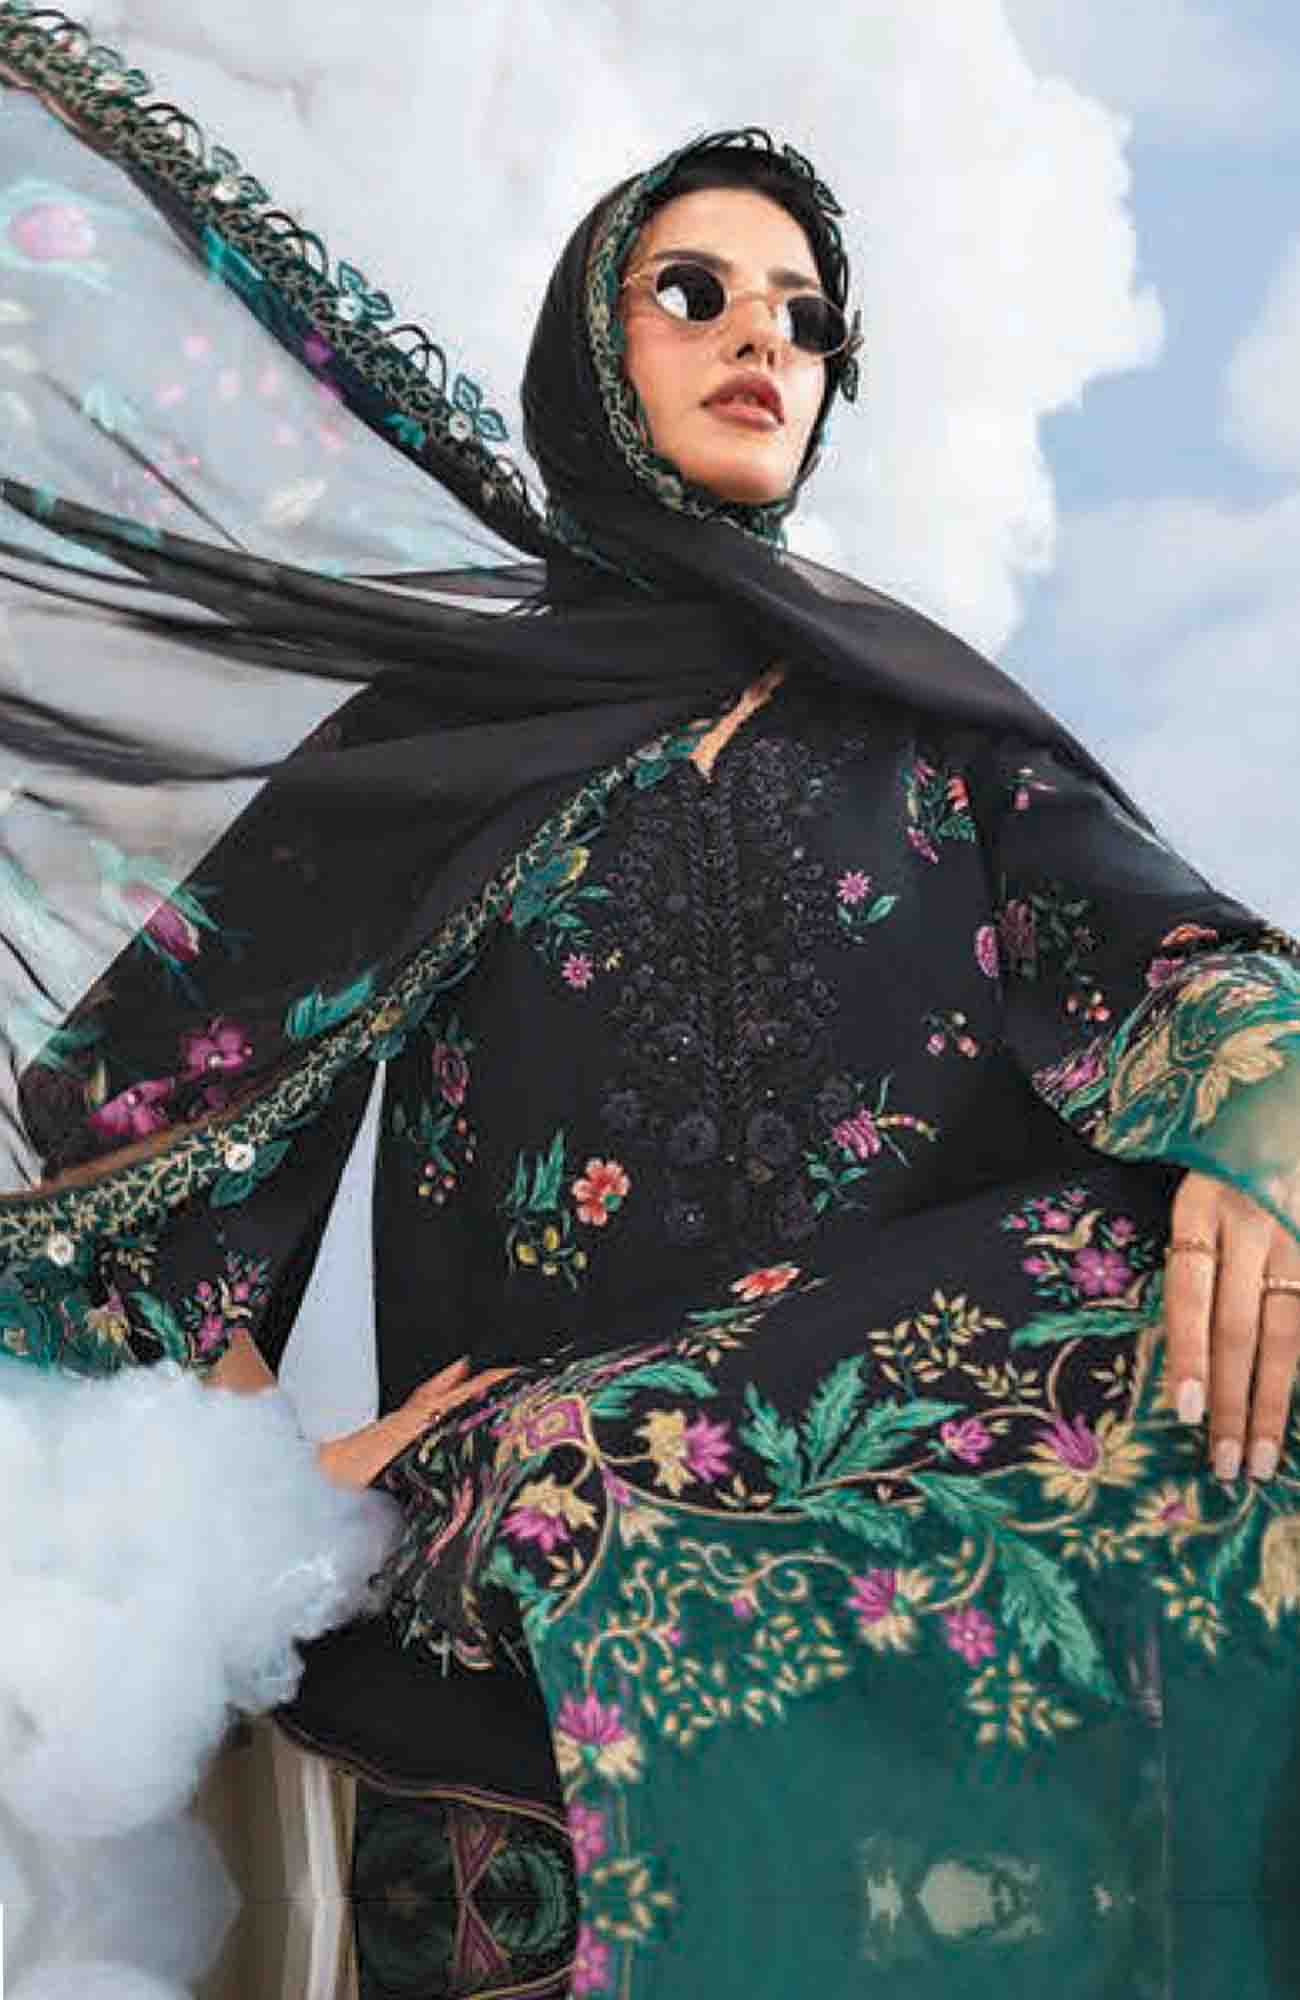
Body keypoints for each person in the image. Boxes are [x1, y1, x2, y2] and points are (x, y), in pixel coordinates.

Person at [3, 15, 1300, 1996]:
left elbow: (1180, 959)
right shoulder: (432, 744)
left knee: (1212, 1257)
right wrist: (256, 1480)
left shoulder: (930, 727)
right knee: (579, 1475)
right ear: (590, 346)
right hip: (554, 1468)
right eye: (694, 292)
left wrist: (1250, 1129)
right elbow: (148, 1122)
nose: (763, 337)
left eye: (804, 316)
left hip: (900, 1425)